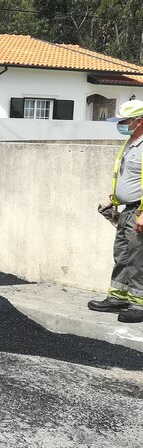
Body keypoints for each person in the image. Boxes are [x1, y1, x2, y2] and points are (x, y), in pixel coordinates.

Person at [89, 98, 143, 323]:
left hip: (138, 210)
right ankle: (118, 297)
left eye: (125, 120)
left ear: (139, 121)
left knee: (138, 259)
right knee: (122, 254)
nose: (121, 124)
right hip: (127, 210)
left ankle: (139, 305)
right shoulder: (131, 142)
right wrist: (115, 200)